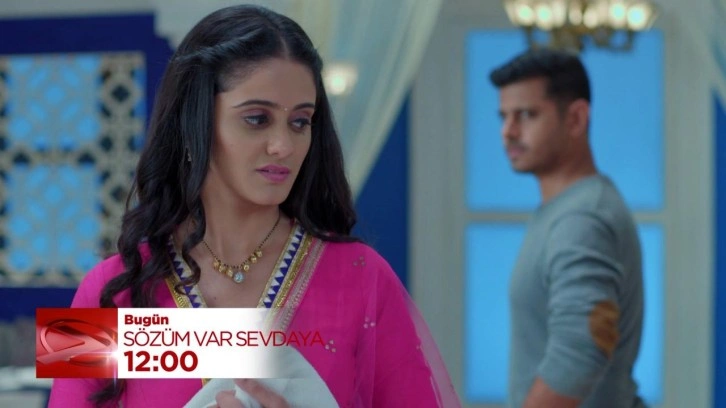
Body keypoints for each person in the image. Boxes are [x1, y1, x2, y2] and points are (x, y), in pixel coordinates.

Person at [48, 5, 460, 408]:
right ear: (194, 123)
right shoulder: (107, 290)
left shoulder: (362, 278)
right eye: (257, 118)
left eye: (300, 122)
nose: (283, 146)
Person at [489, 48, 646, 408]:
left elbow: (579, 352)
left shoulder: (582, 218)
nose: (508, 132)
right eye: (504, 117)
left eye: (526, 115)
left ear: (576, 118)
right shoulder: (568, 209)